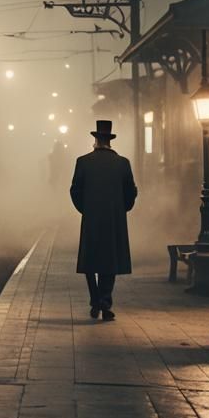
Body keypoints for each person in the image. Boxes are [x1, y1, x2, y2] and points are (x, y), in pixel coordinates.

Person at [70, 120, 137, 321]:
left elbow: (75, 191)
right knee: (110, 261)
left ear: (95, 140)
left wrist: (86, 209)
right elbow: (130, 192)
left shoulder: (83, 161)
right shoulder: (123, 163)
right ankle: (105, 302)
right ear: (110, 141)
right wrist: (120, 209)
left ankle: (95, 300)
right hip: (114, 218)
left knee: (90, 261)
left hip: (91, 218)